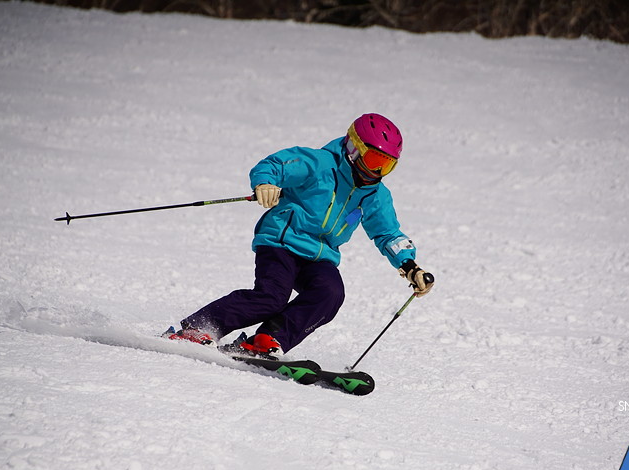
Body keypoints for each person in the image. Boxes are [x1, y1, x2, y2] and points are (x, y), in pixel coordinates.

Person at [167, 113, 434, 358]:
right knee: (271, 297)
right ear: (354, 149)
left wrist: (409, 266)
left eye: (387, 166)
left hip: (321, 255)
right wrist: (265, 183)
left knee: (329, 294)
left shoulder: (376, 195)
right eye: (375, 161)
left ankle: (266, 339)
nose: (377, 173)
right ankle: (197, 328)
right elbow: (275, 165)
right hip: (282, 241)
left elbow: (388, 233)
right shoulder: (318, 164)